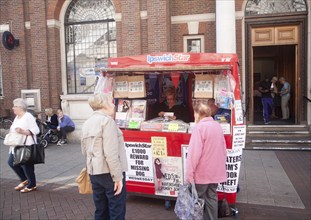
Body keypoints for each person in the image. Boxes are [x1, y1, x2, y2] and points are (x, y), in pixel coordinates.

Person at [81, 93, 128, 220]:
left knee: (101, 210)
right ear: (105, 104)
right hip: (109, 173)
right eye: (111, 102)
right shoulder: (107, 122)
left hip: (94, 172)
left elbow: (84, 151)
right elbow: (111, 153)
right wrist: (118, 177)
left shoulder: (87, 122)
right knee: (116, 210)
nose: (113, 105)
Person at [186, 102, 227, 220]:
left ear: (198, 114)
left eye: (195, 113)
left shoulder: (199, 128)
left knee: (194, 199)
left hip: (202, 173)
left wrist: (189, 174)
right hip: (215, 172)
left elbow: (194, 154)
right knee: (211, 198)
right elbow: (223, 150)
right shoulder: (217, 126)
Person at [7, 98, 40, 193]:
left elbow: (36, 130)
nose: (13, 108)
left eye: (15, 106)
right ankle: (25, 180)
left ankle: (32, 185)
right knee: (11, 162)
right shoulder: (17, 117)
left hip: (26, 146)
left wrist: (22, 131)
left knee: (27, 166)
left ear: (20, 107)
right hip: (16, 145)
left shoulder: (27, 116)